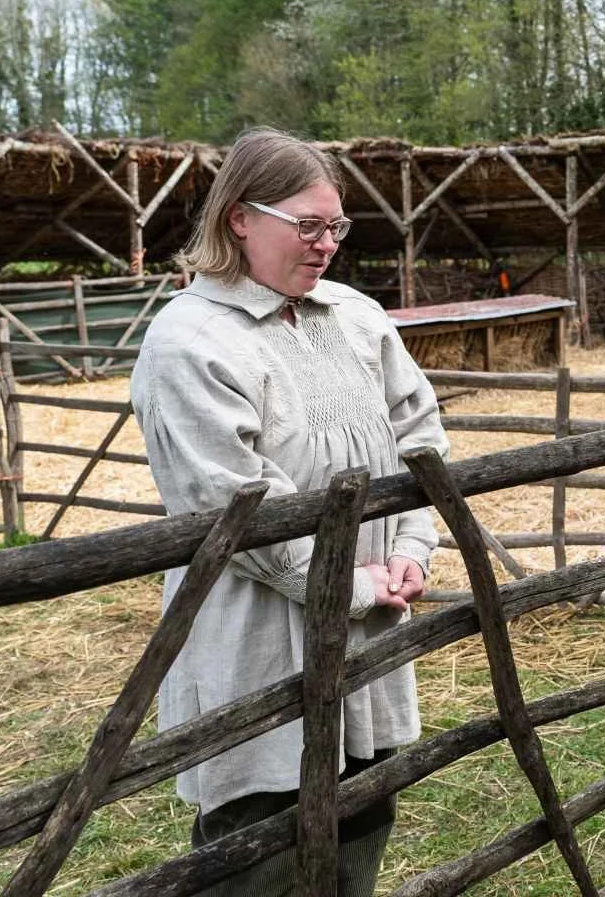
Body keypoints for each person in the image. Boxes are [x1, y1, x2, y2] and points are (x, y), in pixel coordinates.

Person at [131, 128, 449, 896]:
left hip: (368, 629)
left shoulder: (356, 317)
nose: (326, 244)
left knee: (362, 816)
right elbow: (233, 508)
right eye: (307, 225)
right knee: (264, 842)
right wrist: (360, 586)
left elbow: (420, 436)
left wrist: (411, 544)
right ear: (240, 217)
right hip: (261, 643)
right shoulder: (191, 343)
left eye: (335, 226)